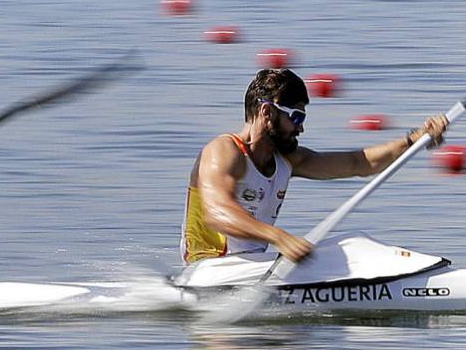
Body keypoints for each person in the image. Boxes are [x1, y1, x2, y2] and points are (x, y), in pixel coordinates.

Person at [183, 67, 449, 264]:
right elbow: (216, 213)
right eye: (296, 118)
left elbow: (359, 163)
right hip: (209, 268)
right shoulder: (224, 151)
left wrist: (414, 140)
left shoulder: (287, 160)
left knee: (352, 244)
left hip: (254, 268)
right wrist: (279, 237)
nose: (300, 128)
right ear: (267, 112)